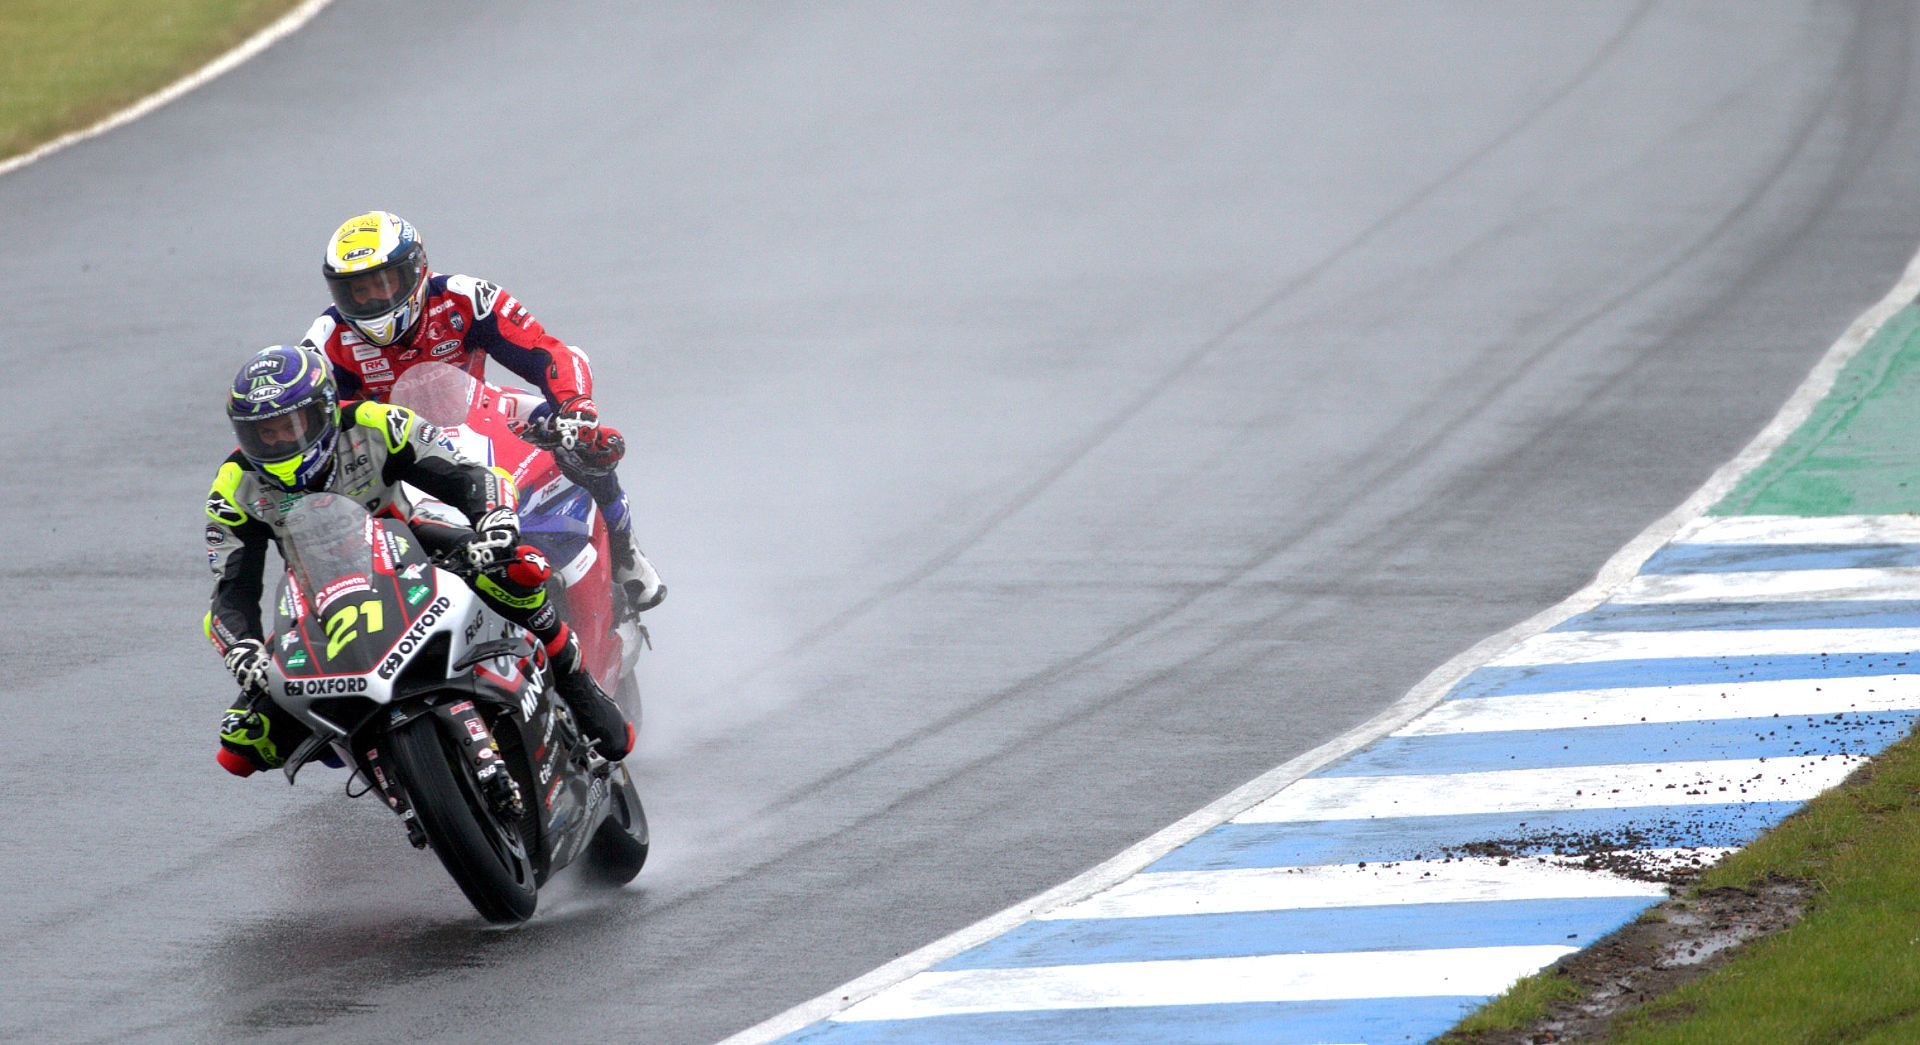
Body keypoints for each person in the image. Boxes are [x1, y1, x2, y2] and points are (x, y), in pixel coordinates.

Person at [205, 345, 635, 777]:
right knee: (241, 745)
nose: (279, 441)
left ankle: (579, 686)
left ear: (324, 409)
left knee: (517, 568)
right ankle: (371, 753)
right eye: (264, 433)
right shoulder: (234, 485)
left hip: (415, 544)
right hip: (320, 590)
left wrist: (495, 519)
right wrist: (241, 647)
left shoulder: (376, 422)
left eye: (289, 426)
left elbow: (468, 475)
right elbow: (230, 591)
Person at [299, 209, 665, 616]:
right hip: (395, 448)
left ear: (416, 270)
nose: (371, 300)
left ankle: (625, 549)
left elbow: (547, 351)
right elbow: (315, 418)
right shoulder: (326, 339)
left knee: (589, 446)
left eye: (382, 284)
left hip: (480, 411)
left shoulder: (465, 296)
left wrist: (575, 407)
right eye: (356, 291)